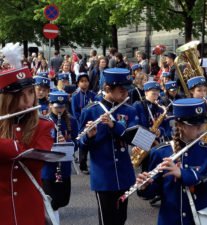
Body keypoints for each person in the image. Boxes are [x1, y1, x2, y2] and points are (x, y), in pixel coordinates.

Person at [136, 98, 207, 225]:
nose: (201, 129)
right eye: (194, 126)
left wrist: (183, 174)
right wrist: (145, 187)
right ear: (180, 125)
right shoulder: (161, 152)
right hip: (170, 219)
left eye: (201, 124)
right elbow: (154, 191)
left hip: (198, 219)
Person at [78, 68, 138, 225]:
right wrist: (89, 137)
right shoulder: (90, 111)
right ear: (107, 89)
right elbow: (81, 144)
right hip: (103, 176)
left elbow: (136, 138)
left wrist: (114, 125)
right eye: (121, 89)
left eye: (127, 89)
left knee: (121, 218)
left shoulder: (129, 110)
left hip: (124, 174)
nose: (126, 93)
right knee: (107, 220)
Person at [0, 66, 55, 225]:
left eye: (31, 93)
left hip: (29, 208)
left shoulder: (44, 126)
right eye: (20, 96)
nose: (28, 101)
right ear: (7, 98)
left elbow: (34, 160)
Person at [42, 91, 78, 225]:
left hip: (64, 167)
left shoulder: (72, 121)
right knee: (51, 202)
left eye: (62, 107)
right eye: (57, 107)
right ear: (50, 105)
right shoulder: (44, 122)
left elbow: (77, 142)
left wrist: (68, 144)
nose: (60, 110)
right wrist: (52, 144)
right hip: (48, 168)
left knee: (62, 200)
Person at [71, 73, 96, 174]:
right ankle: (83, 165)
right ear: (78, 83)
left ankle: (95, 165)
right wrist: (81, 120)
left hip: (93, 123)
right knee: (83, 144)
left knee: (94, 143)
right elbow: (74, 111)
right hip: (81, 123)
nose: (84, 83)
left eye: (86, 81)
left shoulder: (93, 95)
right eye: (82, 81)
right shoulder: (75, 96)